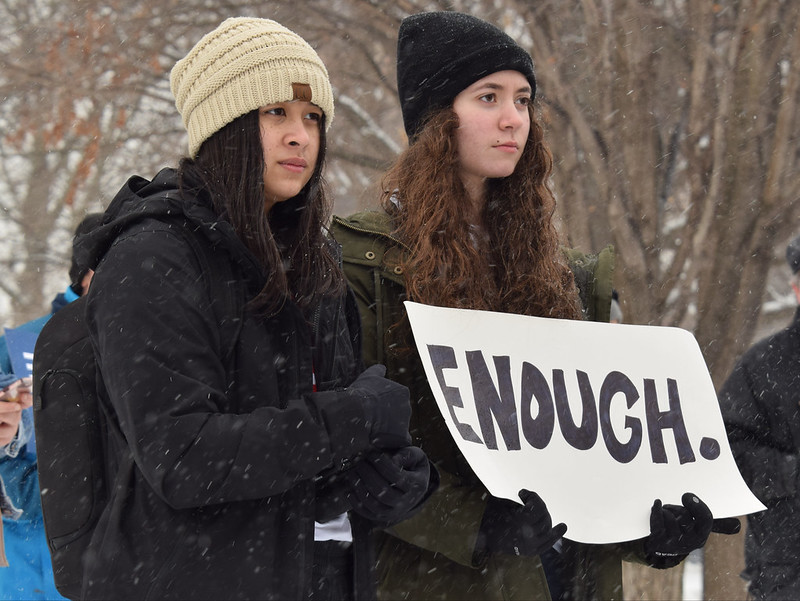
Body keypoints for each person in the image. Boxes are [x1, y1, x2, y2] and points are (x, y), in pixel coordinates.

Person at [331, 10, 737, 601]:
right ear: (436, 119)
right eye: (488, 96)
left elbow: (591, 459)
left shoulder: (563, 276)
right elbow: (357, 462)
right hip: (435, 585)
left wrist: (651, 532)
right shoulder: (367, 263)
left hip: (569, 583)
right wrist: (475, 524)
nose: (511, 119)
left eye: (522, 100)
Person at [74, 17, 434, 600]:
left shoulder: (315, 264)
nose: (301, 136)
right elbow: (184, 458)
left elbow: (301, 462)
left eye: (313, 117)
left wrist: (389, 481)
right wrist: (354, 419)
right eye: (276, 114)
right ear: (227, 126)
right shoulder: (152, 259)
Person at [0, 212, 102, 600]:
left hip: (101, 560)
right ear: (84, 275)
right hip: (29, 563)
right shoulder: (22, 346)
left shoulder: (143, 339)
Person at [718, 233, 800, 600]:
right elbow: (721, 453)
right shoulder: (763, 366)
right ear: (797, 290)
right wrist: (788, 472)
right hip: (786, 577)